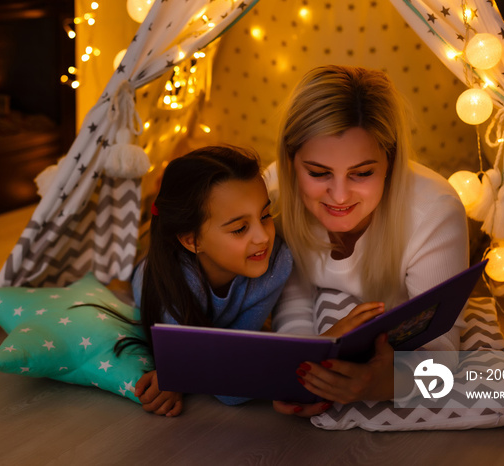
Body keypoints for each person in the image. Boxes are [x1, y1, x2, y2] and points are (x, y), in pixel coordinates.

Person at [269, 65, 469, 416]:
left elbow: (440, 351)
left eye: (362, 173)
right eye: (318, 173)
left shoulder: (435, 212)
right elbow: (293, 303)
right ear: (290, 161)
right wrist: (301, 371)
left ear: (390, 162)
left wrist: (387, 383)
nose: (340, 195)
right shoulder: (273, 196)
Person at [130, 145, 293, 417]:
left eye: (265, 215)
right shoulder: (165, 283)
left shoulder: (278, 263)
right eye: (240, 228)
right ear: (192, 240)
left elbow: (235, 360)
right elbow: (230, 387)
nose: (263, 237)